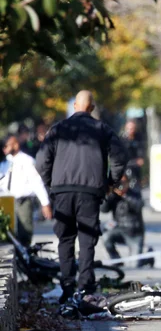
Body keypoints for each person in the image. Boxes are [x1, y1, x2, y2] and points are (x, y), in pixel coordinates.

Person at [36, 90, 127, 305]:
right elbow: (119, 157)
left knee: (65, 239)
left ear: (75, 106)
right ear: (92, 108)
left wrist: (52, 184)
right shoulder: (102, 129)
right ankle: (85, 288)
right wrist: (110, 183)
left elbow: (41, 162)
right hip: (90, 192)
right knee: (87, 241)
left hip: (62, 192)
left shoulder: (58, 129)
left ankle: (67, 288)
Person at [1, 135, 53, 246]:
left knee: (24, 233)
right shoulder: (4, 163)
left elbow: (37, 182)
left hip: (22, 202)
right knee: (7, 235)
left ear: (15, 144)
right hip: (6, 203)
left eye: (6, 146)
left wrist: (45, 203)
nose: (4, 149)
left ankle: (25, 258)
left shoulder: (26, 161)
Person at [101, 174, 154, 268]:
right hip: (119, 230)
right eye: (119, 183)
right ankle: (116, 260)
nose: (121, 185)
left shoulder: (134, 193)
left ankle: (148, 257)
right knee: (106, 237)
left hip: (134, 233)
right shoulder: (114, 196)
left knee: (135, 265)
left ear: (128, 183)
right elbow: (104, 210)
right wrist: (110, 196)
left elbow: (139, 206)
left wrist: (125, 195)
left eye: (123, 182)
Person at [122, 120, 145, 185]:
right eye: (128, 128)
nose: (130, 130)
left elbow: (141, 149)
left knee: (135, 181)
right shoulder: (122, 139)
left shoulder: (139, 137)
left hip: (135, 164)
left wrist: (140, 158)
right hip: (125, 164)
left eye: (132, 128)